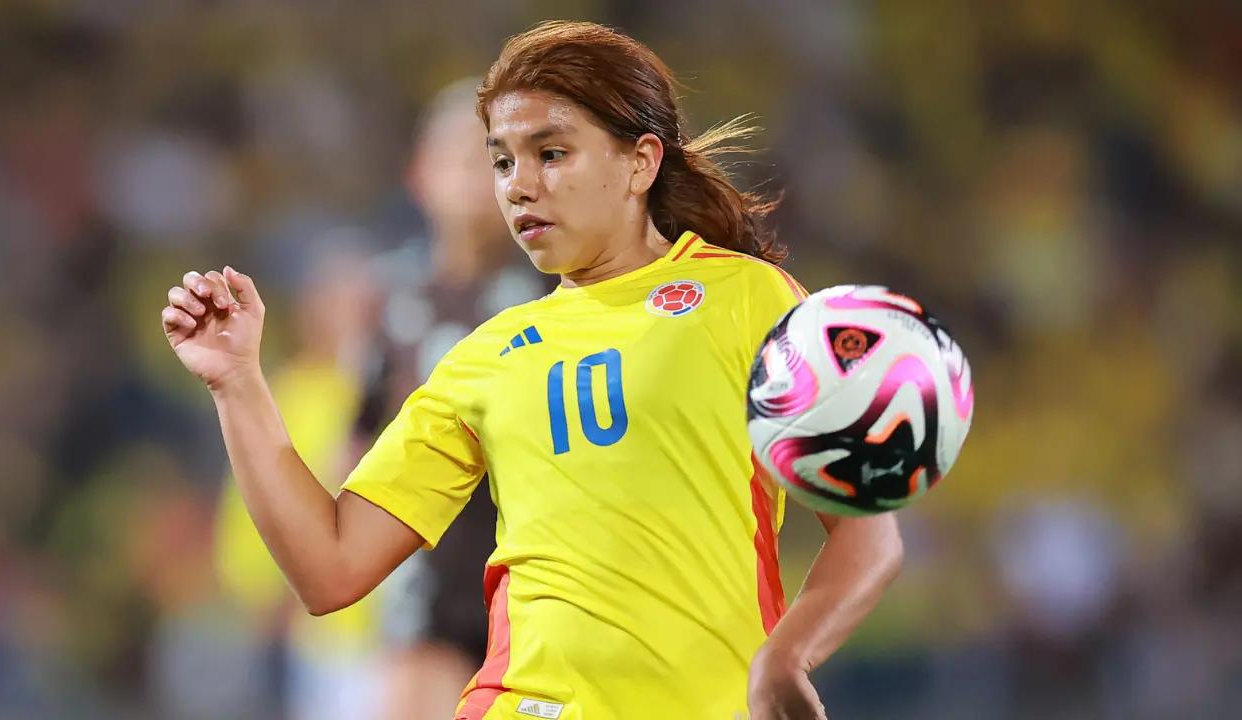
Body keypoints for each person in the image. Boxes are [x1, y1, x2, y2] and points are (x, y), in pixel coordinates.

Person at [161, 20, 904, 720]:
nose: (519, 185)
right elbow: (329, 567)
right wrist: (237, 382)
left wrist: (786, 656)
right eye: (502, 161)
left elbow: (867, 534)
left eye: (551, 153)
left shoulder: (746, 298)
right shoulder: (484, 356)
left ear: (641, 162)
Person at [349, 78, 552, 718]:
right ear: (421, 175)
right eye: (460, 159)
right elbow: (360, 434)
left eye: (494, 162)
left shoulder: (550, 295)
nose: (476, 179)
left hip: (526, 579)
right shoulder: (393, 301)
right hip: (423, 581)